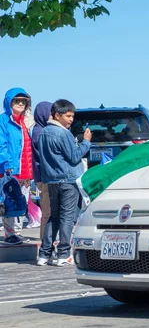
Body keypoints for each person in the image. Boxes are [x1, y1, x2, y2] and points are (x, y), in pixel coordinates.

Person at [37, 99, 92, 266]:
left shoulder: (43, 133)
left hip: (52, 180)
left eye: (72, 116)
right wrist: (86, 141)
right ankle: (63, 253)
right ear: (56, 115)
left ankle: (44, 254)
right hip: (68, 180)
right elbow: (75, 157)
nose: (71, 119)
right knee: (67, 217)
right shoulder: (64, 134)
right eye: (68, 116)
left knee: (53, 217)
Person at [0, 88, 34, 245]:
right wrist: (7, 164)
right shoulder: (3, 121)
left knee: (22, 202)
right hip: (10, 170)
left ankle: (18, 232)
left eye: (23, 101)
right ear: (9, 102)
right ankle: (10, 234)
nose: (20, 103)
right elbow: (2, 145)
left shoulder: (28, 121)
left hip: (27, 171)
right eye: (16, 100)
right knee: (10, 201)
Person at [31, 101, 52, 239]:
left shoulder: (39, 130)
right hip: (45, 177)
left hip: (42, 177)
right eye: (50, 113)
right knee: (48, 213)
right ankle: (46, 246)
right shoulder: (41, 133)